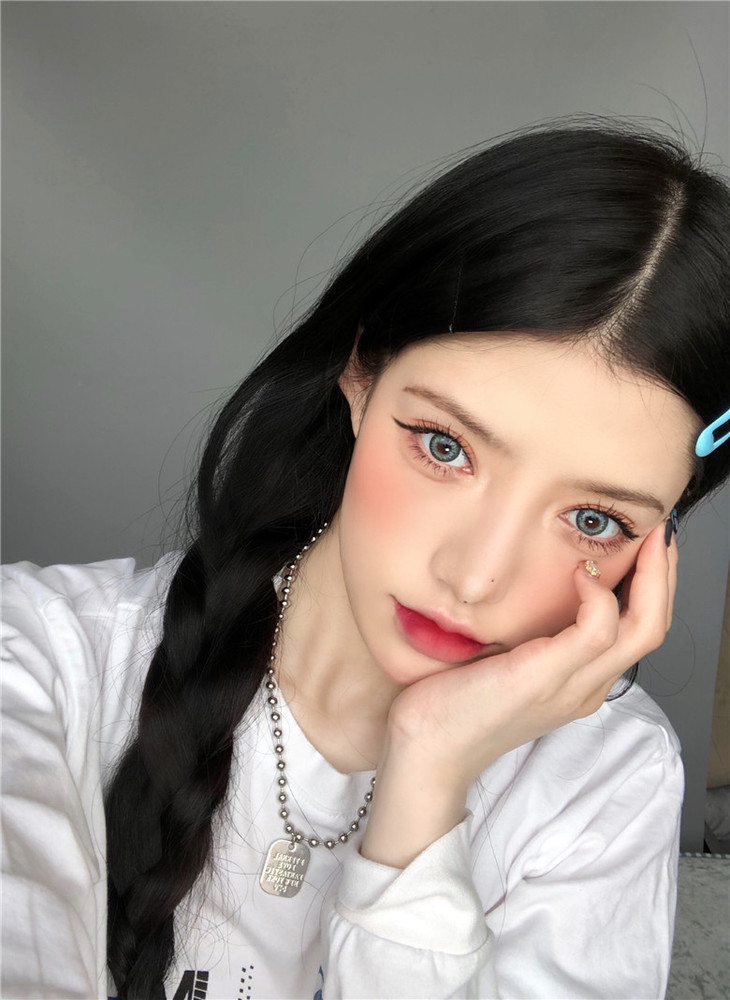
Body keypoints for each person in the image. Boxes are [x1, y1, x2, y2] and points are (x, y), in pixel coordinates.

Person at [3, 117, 730, 1000]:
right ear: (359, 374)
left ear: (656, 547)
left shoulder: (606, 777)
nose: (475, 577)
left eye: (593, 519)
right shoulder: (39, 659)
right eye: (446, 447)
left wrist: (427, 779)